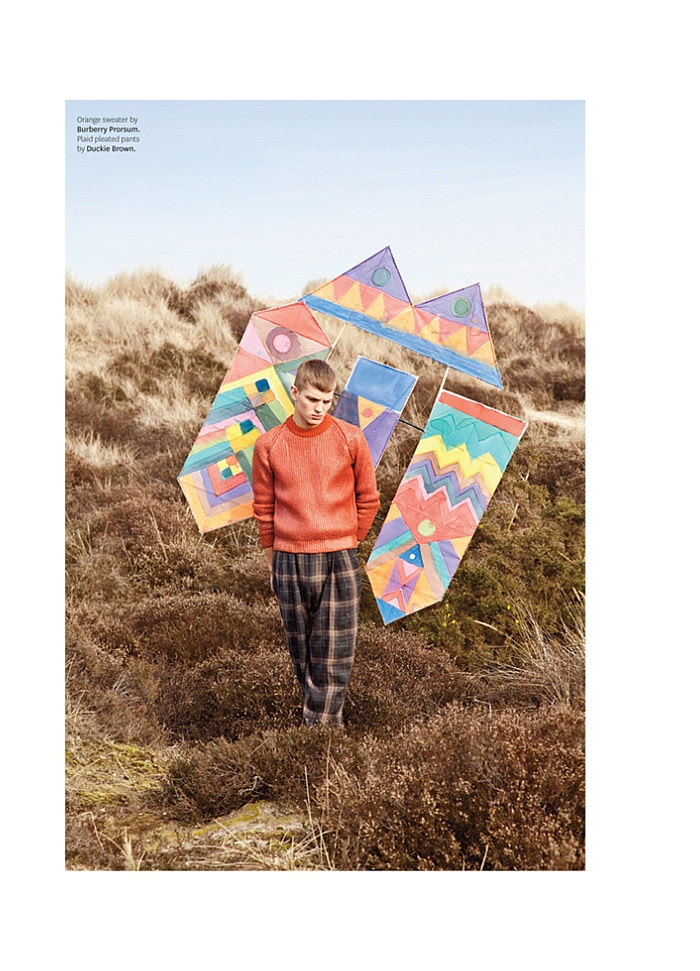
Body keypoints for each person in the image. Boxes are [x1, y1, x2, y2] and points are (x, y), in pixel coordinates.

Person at [251, 359, 380, 728]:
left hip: (339, 557)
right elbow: (264, 508)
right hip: (289, 559)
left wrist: (345, 542)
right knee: (303, 656)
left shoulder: (350, 438)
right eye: (311, 400)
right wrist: (273, 563)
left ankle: (318, 740)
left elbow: (368, 500)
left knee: (334, 656)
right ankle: (323, 733)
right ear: (295, 393)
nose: (318, 409)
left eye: (326, 401)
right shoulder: (269, 445)